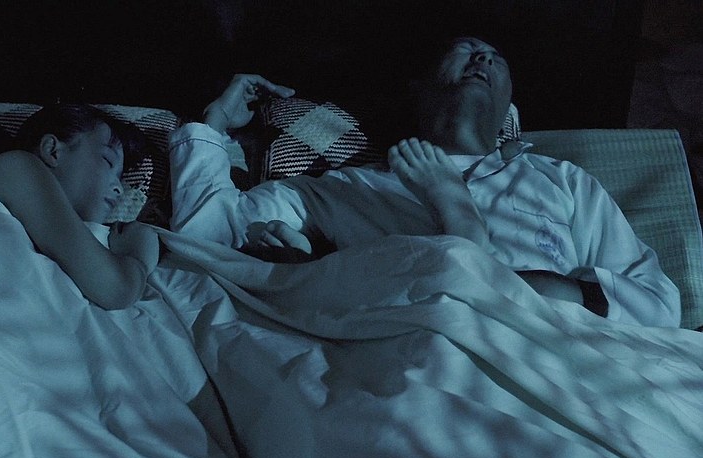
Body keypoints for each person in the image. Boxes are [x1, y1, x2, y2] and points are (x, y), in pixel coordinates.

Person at [167, 38, 681, 327]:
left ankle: (466, 261)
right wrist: (212, 125)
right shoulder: (346, 188)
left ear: (508, 106)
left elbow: (657, 306)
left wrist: (539, 292)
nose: (484, 58)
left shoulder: (562, 181)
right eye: (465, 49)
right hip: (421, 351)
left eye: (497, 58)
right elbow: (206, 239)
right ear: (418, 89)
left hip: (554, 351)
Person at [0, 104, 160, 310]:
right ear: (53, 151)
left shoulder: (82, 251)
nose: (119, 188)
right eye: (107, 161)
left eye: (120, 176)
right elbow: (118, 289)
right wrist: (139, 258)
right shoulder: (15, 168)